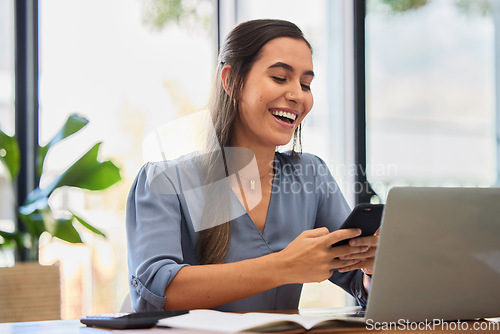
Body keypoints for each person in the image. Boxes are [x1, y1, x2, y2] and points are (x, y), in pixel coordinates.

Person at [126, 19, 379, 313]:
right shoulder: (165, 182)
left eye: (306, 84)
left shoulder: (311, 175)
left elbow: (356, 279)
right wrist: (285, 266)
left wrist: (372, 270)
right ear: (231, 81)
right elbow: (155, 293)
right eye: (280, 78)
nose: (298, 95)